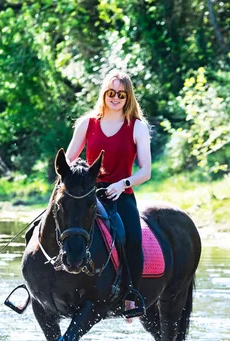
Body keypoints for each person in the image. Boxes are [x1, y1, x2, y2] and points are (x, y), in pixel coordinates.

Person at [65, 70, 151, 322]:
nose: (115, 98)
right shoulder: (87, 123)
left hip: (119, 193)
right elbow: (69, 159)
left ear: (128, 97)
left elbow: (146, 171)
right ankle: (37, 285)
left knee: (133, 238)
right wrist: (75, 178)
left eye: (121, 94)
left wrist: (122, 184)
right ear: (104, 93)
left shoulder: (137, 127)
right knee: (51, 227)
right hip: (86, 193)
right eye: (111, 92)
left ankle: (131, 296)